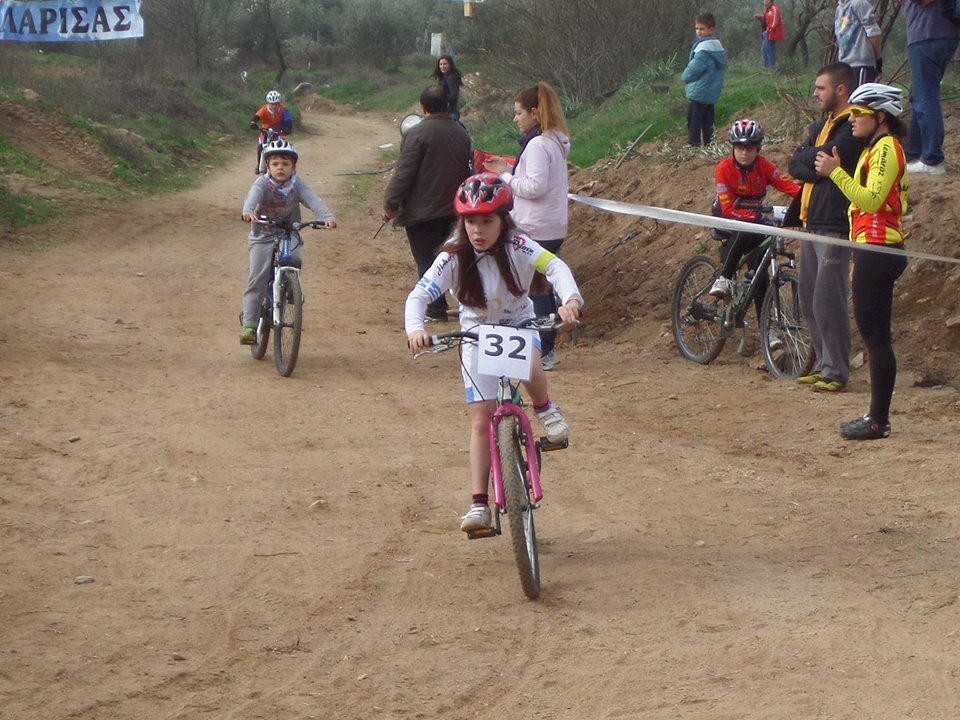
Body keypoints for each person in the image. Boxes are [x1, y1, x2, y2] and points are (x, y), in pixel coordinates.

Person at [405, 173, 583, 533]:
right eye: (470, 221)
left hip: (518, 322)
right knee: (480, 419)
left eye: (486, 221)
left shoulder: (519, 244)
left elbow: (555, 266)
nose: (477, 230)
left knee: (531, 363)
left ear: (503, 220)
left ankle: (545, 408)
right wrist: (416, 329)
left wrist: (571, 300)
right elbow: (420, 294)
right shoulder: (452, 254)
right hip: (475, 331)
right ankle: (479, 503)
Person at [814, 83, 909, 440]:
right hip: (872, 248)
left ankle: (878, 420)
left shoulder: (886, 147)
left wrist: (835, 172)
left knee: (877, 339)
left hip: (879, 249)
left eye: (858, 113)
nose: (851, 119)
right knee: (875, 337)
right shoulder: (877, 147)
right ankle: (876, 416)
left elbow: (870, 201)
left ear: (880, 116)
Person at [788, 62, 867, 393]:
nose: (815, 93)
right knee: (808, 297)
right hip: (810, 221)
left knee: (828, 298)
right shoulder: (820, 126)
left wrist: (812, 159)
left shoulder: (853, 127)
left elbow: (822, 157)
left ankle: (836, 371)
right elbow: (795, 163)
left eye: (821, 87)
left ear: (840, 90)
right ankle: (823, 364)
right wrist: (815, 166)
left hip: (835, 223)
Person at [483, 82, 571, 370]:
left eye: (519, 113)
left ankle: (544, 348)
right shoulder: (555, 141)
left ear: (534, 113)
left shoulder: (537, 145)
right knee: (540, 286)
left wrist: (505, 178)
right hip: (552, 224)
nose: (515, 118)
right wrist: (509, 169)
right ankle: (543, 345)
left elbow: (534, 187)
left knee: (536, 289)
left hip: (535, 226)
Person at [708, 119, 801, 349]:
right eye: (740, 147)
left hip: (754, 218)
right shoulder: (724, 168)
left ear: (758, 149)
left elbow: (788, 186)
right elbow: (727, 206)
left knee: (761, 275)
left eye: (749, 148)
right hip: (726, 214)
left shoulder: (764, 166)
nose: (744, 152)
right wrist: (754, 219)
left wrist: (809, 201)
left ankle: (766, 330)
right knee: (745, 228)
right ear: (733, 148)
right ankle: (725, 278)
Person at [384, 86, 472, 323]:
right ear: (447, 105)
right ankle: (468, 306)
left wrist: (391, 204)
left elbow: (404, 173)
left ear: (423, 107)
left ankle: (435, 308)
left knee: (427, 260)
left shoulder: (417, 133)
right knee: (455, 258)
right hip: (456, 210)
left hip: (423, 212)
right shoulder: (461, 133)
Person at [239, 138, 336, 345]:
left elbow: (313, 199)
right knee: (257, 278)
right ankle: (249, 325)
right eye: (275, 164)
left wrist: (326, 216)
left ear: (294, 167)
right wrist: (248, 211)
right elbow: (253, 198)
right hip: (262, 235)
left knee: (294, 258)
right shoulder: (262, 184)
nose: (280, 168)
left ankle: (293, 288)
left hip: (288, 232)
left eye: (285, 164)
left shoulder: (297, 184)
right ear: (268, 166)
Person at [896, 0, 959, 176]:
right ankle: (914, 152)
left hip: (927, 34)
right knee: (919, 93)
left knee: (925, 97)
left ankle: (932, 159)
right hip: (942, 34)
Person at [681, 13, 728, 147]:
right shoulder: (718, 48)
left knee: (693, 121)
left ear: (711, 29)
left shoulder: (703, 50)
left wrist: (684, 77)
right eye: (697, 28)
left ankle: (694, 144)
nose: (699, 32)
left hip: (699, 92)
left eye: (702, 29)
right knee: (708, 121)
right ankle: (709, 143)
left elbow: (694, 69)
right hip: (711, 93)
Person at [834, 0, 884, 87]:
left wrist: (878, 60)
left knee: (859, 95)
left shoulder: (859, 3)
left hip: (861, 63)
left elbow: (874, 33)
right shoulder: (839, 9)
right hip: (845, 65)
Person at [250, 90, 293, 174]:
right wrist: (253, 123)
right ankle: (259, 164)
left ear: (279, 104)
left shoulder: (284, 110)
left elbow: (288, 120)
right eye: (271, 104)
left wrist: (288, 128)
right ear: (268, 103)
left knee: (281, 147)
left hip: (279, 131)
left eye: (275, 104)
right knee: (260, 146)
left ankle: (281, 163)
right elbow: (257, 117)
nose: (273, 106)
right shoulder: (264, 109)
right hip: (265, 131)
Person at [432, 54, 464, 122]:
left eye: (445, 64)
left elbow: (453, 96)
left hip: (451, 113)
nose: (442, 66)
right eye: (440, 64)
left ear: (450, 65)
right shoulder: (445, 77)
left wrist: (439, 97)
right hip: (446, 113)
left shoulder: (451, 78)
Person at [756, 0, 785, 68]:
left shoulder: (774, 9)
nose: (764, 1)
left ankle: (772, 66)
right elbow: (766, 20)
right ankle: (766, 66)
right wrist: (760, 18)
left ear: (770, 1)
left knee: (770, 50)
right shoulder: (767, 10)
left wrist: (769, 30)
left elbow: (775, 21)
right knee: (764, 51)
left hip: (770, 33)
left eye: (766, 0)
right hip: (766, 33)